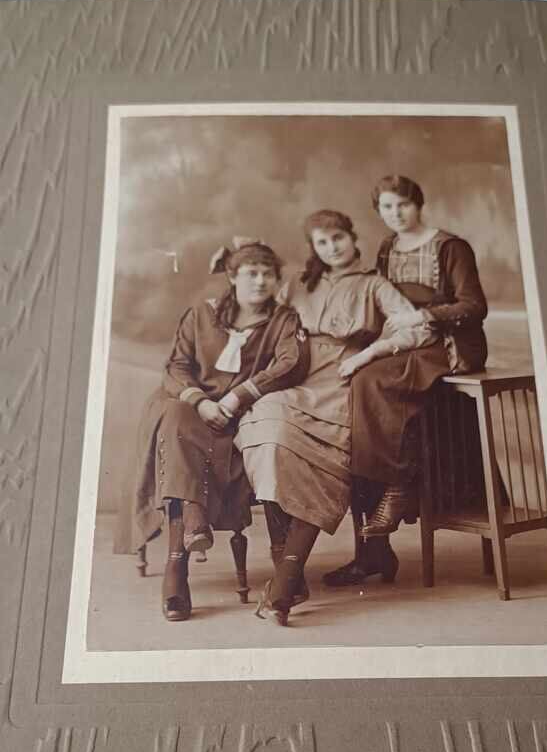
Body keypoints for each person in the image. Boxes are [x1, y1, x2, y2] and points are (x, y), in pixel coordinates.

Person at [235, 209, 436, 625]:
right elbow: (257, 311)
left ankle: (285, 584)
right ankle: (286, 569)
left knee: (322, 462)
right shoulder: (297, 284)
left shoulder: (374, 284)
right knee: (265, 430)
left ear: (351, 237)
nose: (332, 248)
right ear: (314, 248)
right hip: (295, 375)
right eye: (322, 243)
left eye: (338, 238)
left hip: (344, 380)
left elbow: (418, 329)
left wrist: (369, 353)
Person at [127, 239, 309, 621]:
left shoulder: (283, 320)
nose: (260, 281)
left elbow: (290, 363)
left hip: (245, 414)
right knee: (174, 417)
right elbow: (176, 366)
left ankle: (193, 545)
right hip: (198, 410)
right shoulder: (202, 314)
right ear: (233, 276)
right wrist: (200, 401)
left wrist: (238, 396)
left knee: (264, 436)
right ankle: (181, 556)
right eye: (251, 273)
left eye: (268, 274)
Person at [323, 173, 490, 588]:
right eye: (387, 207)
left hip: (449, 343)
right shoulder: (387, 247)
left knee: (370, 382)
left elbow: (474, 305)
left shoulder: (450, 247)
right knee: (356, 383)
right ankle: (372, 550)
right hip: (406, 342)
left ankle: (397, 487)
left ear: (419, 204)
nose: (396, 214)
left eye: (403, 205)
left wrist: (422, 316)